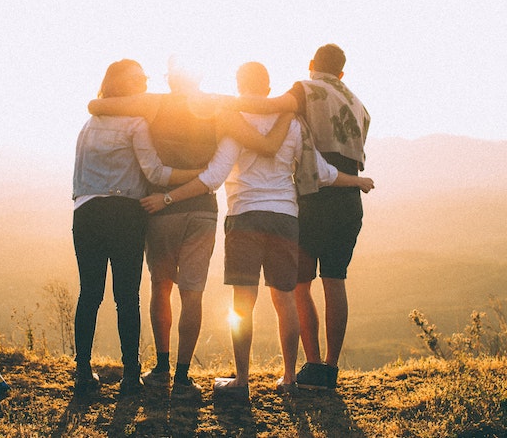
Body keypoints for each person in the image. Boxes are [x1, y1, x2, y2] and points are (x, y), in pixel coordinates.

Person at [140, 62, 374, 400]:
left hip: (244, 217)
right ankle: (290, 378)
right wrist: (357, 181)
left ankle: (242, 381)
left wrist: (168, 197)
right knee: (285, 300)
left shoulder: (235, 121)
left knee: (243, 303)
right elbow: (321, 172)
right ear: (268, 88)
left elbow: (214, 177)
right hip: (285, 218)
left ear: (239, 84)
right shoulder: (292, 123)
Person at [86, 58, 292, 401]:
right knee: (192, 293)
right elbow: (261, 142)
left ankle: (161, 368)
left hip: (160, 209)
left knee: (161, 286)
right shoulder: (219, 107)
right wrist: (288, 110)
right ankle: (183, 378)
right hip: (202, 210)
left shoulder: (154, 103)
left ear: (170, 79)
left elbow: (97, 105)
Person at [233, 44, 372, 390]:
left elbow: (268, 107)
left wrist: (222, 105)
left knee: (300, 283)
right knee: (335, 281)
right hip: (348, 198)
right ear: (342, 73)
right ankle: (330, 368)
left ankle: (309, 365)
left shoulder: (304, 89)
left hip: (313, 197)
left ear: (312, 65)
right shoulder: (359, 105)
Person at [71, 59, 203, 397]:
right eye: (138, 78)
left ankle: (83, 373)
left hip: (86, 212)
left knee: (90, 294)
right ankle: (131, 376)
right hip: (125, 214)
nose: (144, 81)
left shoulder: (89, 124)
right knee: (126, 297)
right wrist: (197, 175)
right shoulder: (136, 123)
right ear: (122, 84)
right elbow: (156, 174)